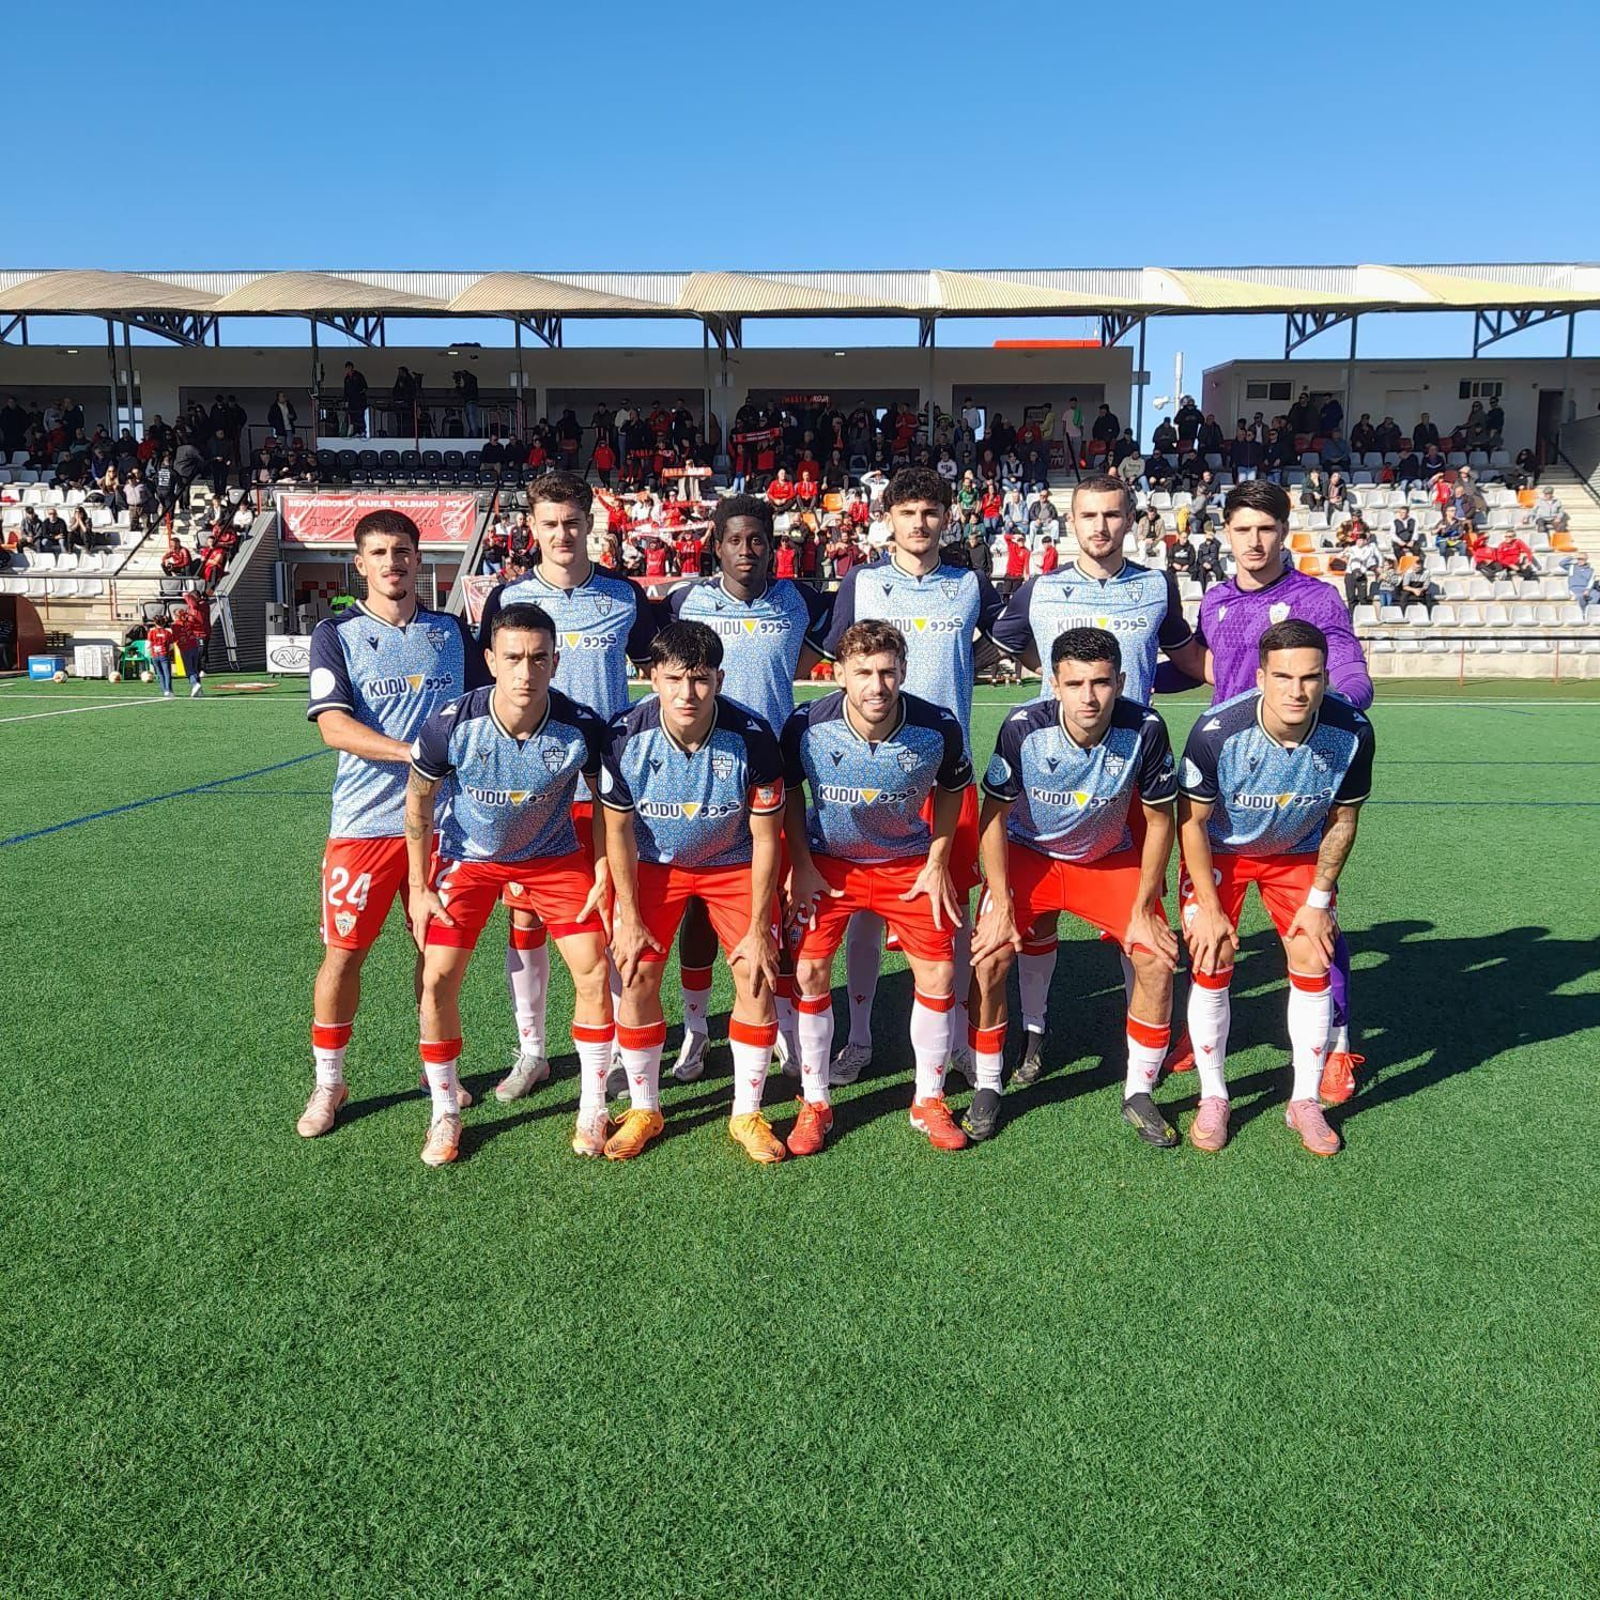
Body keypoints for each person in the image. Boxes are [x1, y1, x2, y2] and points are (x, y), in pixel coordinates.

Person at [989, 473, 1205, 1078]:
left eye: (1112, 515)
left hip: (1133, 764)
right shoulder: (1042, 589)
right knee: (1041, 908)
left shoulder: (1157, 587)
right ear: (1072, 522)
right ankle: (1034, 1033)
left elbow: (1187, 659)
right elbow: (1014, 646)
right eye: (1089, 516)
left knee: (1141, 910)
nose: (1100, 527)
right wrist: (1059, 683)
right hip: (1054, 763)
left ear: (1130, 519)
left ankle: (1141, 1039)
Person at [295, 510, 488, 1142]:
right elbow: (333, 727)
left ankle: (437, 1076)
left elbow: (488, 709)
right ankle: (329, 1081)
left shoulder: (453, 634)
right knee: (344, 957)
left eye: (402, 551)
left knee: (435, 960)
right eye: (378, 553)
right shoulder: (337, 634)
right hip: (364, 825)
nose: (392, 562)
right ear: (361, 563)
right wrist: (417, 753)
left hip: (444, 829)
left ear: (420, 558)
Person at [1180, 479, 1373, 1104]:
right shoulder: (1214, 602)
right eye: (1243, 529)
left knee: (1319, 922)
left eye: (1266, 528)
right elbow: (1212, 672)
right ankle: (1199, 1035)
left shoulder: (1314, 598)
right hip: (1233, 774)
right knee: (1206, 920)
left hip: (1296, 777)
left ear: (1283, 532)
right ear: (1226, 534)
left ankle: (1340, 1045)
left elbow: (1344, 662)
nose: (1255, 540)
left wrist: (1344, 706)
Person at [404, 603, 612, 1166]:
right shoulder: (452, 722)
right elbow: (418, 799)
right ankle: (445, 1111)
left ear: (555, 661)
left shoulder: (582, 725)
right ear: (491, 660)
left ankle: (593, 1105)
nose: (526, 672)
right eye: (514, 658)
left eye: (539, 659)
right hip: (469, 859)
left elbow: (606, 802)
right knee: (438, 978)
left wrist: (603, 865)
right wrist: (419, 885)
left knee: (594, 966)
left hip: (551, 858)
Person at [476, 471, 658, 1100]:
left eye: (573, 523)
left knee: (605, 920)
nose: (562, 534)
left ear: (590, 524)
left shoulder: (623, 595)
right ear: (532, 527)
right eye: (549, 523)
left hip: (606, 791)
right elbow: (486, 693)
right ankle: (532, 1052)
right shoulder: (508, 599)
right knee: (524, 920)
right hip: (531, 793)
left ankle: (603, 1052)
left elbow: (661, 669)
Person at [819, 466, 1002, 1090]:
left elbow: (1000, 641)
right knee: (868, 909)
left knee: (947, 904)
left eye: (930, 512)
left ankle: (951, 1039)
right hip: (873, 769)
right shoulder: (863, 581)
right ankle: (862, 1039)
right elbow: (841, 651)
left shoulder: (971, 583)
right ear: (888, 520)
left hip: (945, 773)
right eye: (907, 512)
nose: (919, 523)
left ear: (947, 518)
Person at [967, 627, 1180, 1145]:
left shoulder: (1146, 727)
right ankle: (990, 1084)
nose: (1089, 696)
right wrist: (998, 899)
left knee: (1155, 956)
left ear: (1121, 681)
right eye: (1076, 683)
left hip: (1105, 859)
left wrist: (1147, 904)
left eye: (1102, 683)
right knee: (990, 954)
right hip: (1030, 854)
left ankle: (1139, 1089)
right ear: (1053, 684)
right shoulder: (1022, 727)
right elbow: (991, 817)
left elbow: (1159, 820)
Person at [598, 621, 788, 1161]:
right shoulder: (623, 736)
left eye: (701, 680)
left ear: (720, 680)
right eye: (675, 678)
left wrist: (757, 927)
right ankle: (645, 1108)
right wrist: (629, 916)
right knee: (633, 970)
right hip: (656, 865)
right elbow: (617, 831)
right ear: (652, 676)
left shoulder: (754, 737)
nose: (688, 693)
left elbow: (766, 837)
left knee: (757, 972)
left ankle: (746, 1114)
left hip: (733, 864)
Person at [782, 620, 973, 1154]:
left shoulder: (936, 725)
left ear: (904, 672)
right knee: (810, 969)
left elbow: (955, 788)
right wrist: (800, 862)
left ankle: (928, 1100)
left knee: (938, 969)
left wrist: (938, 860)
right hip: (829, 863)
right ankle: (815, 1101)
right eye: (863, 672)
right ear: (838, 673)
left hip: (905, 863)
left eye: (888, 671)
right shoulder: (806, 724)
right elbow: (790, 793)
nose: (877, 685)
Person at [665, 494, 832, 1078]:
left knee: (779, 900)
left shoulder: (798, 600)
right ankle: (695, 1028)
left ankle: (782, 1022)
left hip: (774, 770)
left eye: (757, 539)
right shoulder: (687, 601)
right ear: (716, 544)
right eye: (734, 539)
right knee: (695, 907)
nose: (746, 550)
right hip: (703, 769)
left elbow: (825, 649)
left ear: (773, 547)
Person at [1342, 531, 1380, 611]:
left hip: (1361, 575)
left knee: (1363, 598)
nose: (1358, 542)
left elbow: (1362, 558)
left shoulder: (1369, 549)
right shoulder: (1352, 548)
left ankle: (1363, 615)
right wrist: (1345, 552)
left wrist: (1352, 553)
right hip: (1350, 575)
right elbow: (1339, 555)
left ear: (1365, 541)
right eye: (1357, 540)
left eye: (1361, 540)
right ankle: (1352, 617)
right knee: (1351, 598)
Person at [146, 611, 176, 698]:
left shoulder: (151, 632)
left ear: (154, 622)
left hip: (155, 655)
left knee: (160, 674)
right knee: (167, 673)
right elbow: (171, 646)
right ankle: (169, 690)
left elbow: (148, 645)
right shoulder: (168, 633)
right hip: (164, 654)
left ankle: (164, 690)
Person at [342, 362, 369, 437]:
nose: (348, 370)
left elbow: (364, 388)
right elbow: (346, 391)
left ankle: (363, 431)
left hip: (360, 401)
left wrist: (358, 394)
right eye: (347, 368)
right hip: (351, 401)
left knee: (360, 415)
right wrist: (345, 401)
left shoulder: (359, 376)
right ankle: (356, 431)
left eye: (349, 368)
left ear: (352, 368)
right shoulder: (347, 379)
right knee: (353, 416)